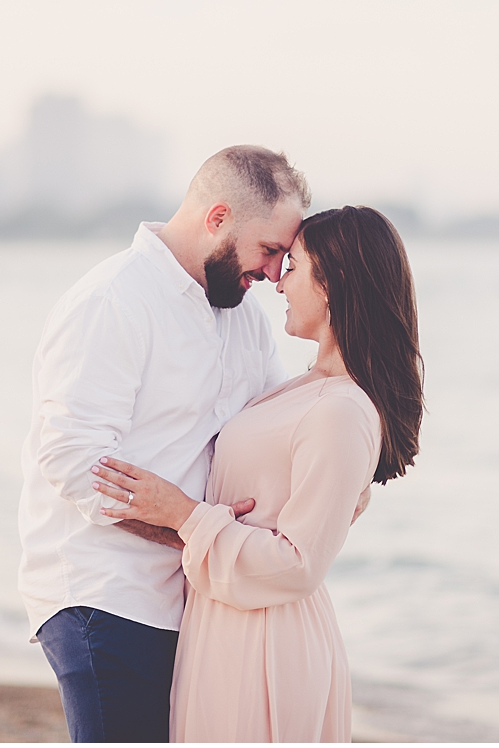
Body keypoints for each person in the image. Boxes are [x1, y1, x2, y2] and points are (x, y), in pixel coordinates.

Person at [93, 205, 424, 745]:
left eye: (291, 266)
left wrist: (183, 514)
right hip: (226, 624)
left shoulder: (342, 409)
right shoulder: (304, 387)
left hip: (267, 641)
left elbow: (298, 564)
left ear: (334, 284)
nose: (277, 281)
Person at [18, 147, 310, 744]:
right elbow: (72, 458)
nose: (276, 272)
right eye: (270, 250)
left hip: (196, 599)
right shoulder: (113, 300)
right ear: (218, 218)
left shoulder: (243, 317)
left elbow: (280, 424)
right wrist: (189, 527)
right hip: (105, 594)